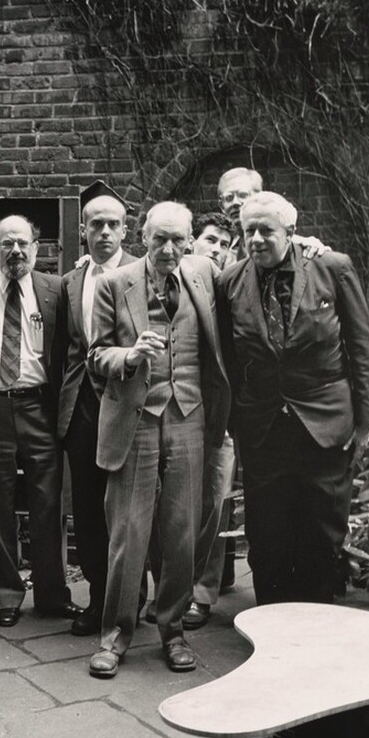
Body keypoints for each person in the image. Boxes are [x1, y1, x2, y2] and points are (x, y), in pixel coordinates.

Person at [87, 201, 230, 678]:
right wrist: (128, 357)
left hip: (189, 415)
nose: (168, 249)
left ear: (190, 240)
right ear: (142, 237)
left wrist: (307, 245)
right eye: (159, 239)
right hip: (136, 419)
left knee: (182, 531)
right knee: (128, 532)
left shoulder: (204, 273)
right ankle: (115, 637)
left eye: (178, 240)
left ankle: (173, 632)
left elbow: (250, 271)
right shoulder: (113, 283)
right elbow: (95, 354)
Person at [216, 191, 369, 605]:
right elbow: (228, 358)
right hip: (263, 428)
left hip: (325, 424)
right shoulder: (230, 281)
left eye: (265, 230)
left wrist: (363, 423)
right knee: (267, 533)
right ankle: (270, 620)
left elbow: (361, 346)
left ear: (290, 231)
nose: (255, 239)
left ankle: (317, 619)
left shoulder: (331, 268)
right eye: (248, 230)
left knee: (322, 531)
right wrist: (237, 420)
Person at [0, 215, 80, 629]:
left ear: (36, 246)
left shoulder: (56, 289)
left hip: (39, 407)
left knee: (49, 503)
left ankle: (51, 594)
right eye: (6, 243)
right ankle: (6, 595)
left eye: (22, 243)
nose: (15, 251)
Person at [55, 182, 139, 637]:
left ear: (125, 230)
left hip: (126, 404)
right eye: (96, 224)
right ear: (83, 230)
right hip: (82, 407)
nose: (104, 232)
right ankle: (97, 599)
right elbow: (65, 350)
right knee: (87, 509)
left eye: (113, 224)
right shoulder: (72, 281)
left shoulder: (142, 273)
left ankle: (130, 600)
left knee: (126, 509)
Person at [181, 211, 237, 628]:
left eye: (224, 244)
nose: (216, 249)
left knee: (215, 502)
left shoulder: (233, 283)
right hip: (179, 410)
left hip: (222, 414)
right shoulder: (172, 279)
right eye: (210, 240)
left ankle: (201, 593)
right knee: (176, 506)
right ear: (191, 242)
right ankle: (173, 588)